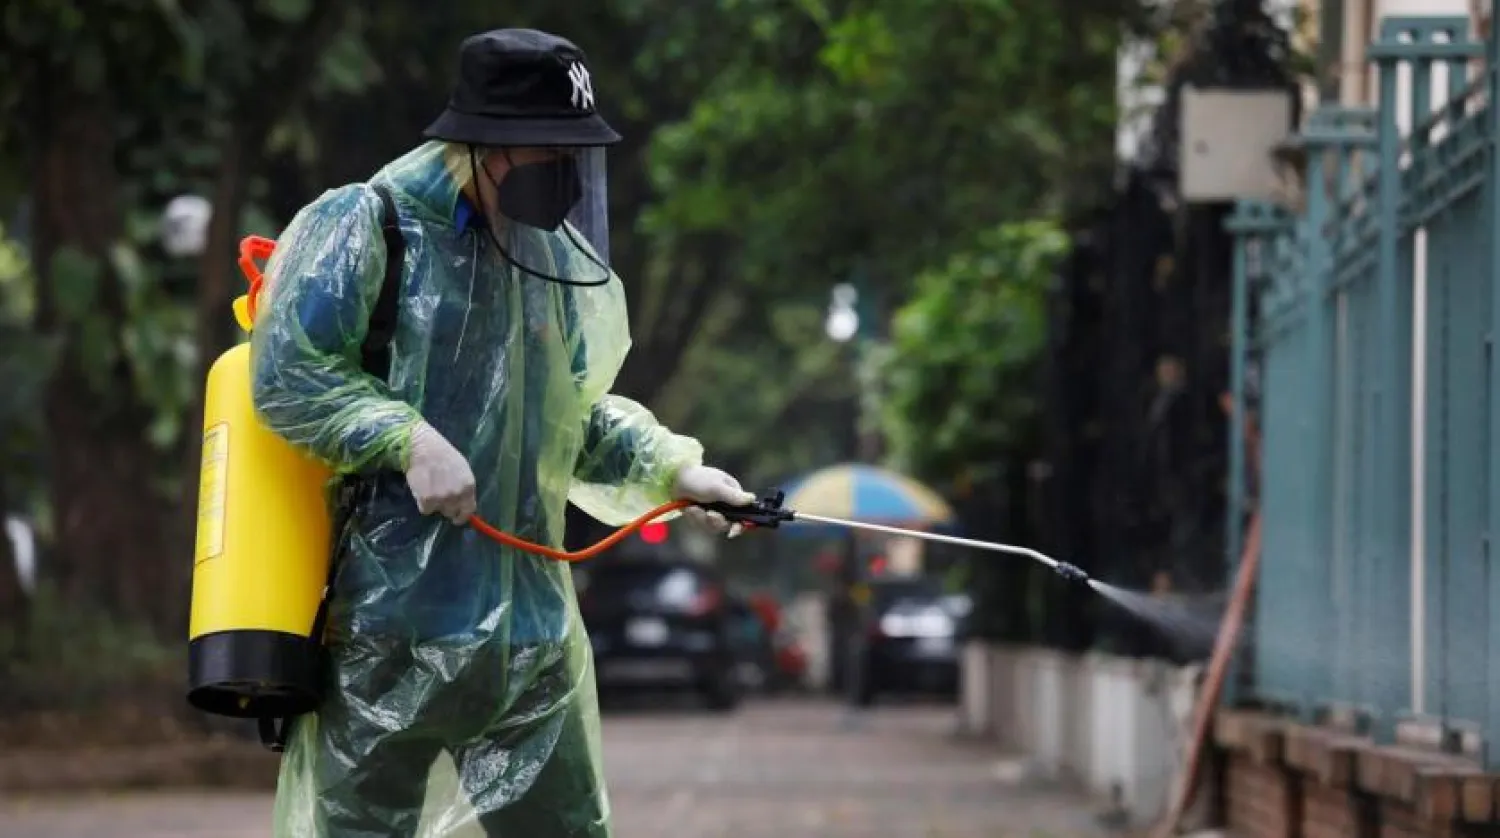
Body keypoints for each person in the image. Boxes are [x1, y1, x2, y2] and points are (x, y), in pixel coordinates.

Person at [249, 28, 754, 837]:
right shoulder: (364, 226)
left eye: (570, 154)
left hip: (529, 642)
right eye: (542, 151)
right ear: (479, 142)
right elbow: (288, 373)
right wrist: (403, 436)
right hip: (386, 631)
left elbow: (569, 425)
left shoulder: (549, 260)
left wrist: (674, 472)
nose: (560, 171)